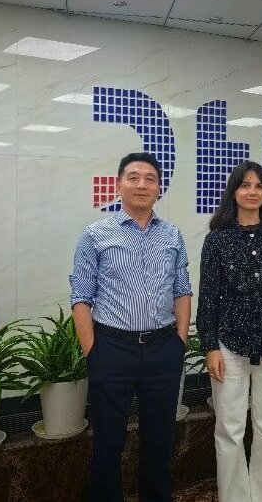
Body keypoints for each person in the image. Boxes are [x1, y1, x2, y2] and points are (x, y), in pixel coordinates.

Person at [69, 152, 192, 502]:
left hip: (162, 350)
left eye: (150, 178)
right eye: (133, 177)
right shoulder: (96, 234)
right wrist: (92, 351)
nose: (142, 184)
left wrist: (179, 341)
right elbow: (81, 296)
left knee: (160, 440)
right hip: (112, 349)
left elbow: (182, 289)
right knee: (108, 443)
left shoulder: (172, 234)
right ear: (119, 184)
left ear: (159, 189)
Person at [197, 160, 262, 502]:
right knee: (229, 429)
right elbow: (208, 296)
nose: (252, 192)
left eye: (259, 186)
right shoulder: (217, 241)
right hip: (228, 347)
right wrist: (210, 345)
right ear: (233, 192)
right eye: (245, 185)